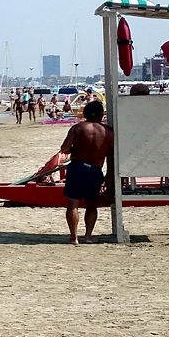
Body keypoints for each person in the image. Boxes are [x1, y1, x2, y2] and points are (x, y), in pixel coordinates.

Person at [57, 100, 113, 245]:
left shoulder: (78, 128)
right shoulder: (108, 132)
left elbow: (65, 148)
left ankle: (74, 237)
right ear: (101, 115)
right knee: (91, 204)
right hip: (95, 170)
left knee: (73, 204)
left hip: (77, 167)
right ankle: (88, 236)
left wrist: (76, 148)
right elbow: (111, 156)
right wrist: (110, 175)